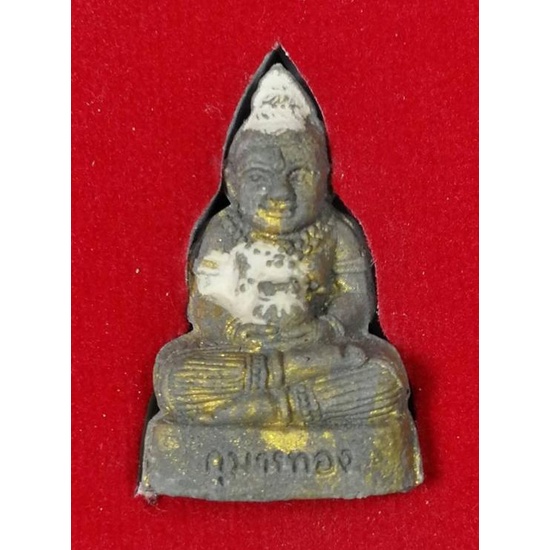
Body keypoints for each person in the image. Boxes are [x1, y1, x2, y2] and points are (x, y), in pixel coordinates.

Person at [153, 64, 412, 430]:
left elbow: (355, 298)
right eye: (259, 177)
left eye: (298, 175)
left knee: (386, 375)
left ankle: (262, 408)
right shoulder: (225, 230)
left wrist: (326, 329)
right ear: (232, 183)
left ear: (324, 177)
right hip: (248, 356)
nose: (280, 194)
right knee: (175, 376)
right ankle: (289, 399)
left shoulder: (335, 231)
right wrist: (232, 330)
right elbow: (204, 303)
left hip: (317, 348)